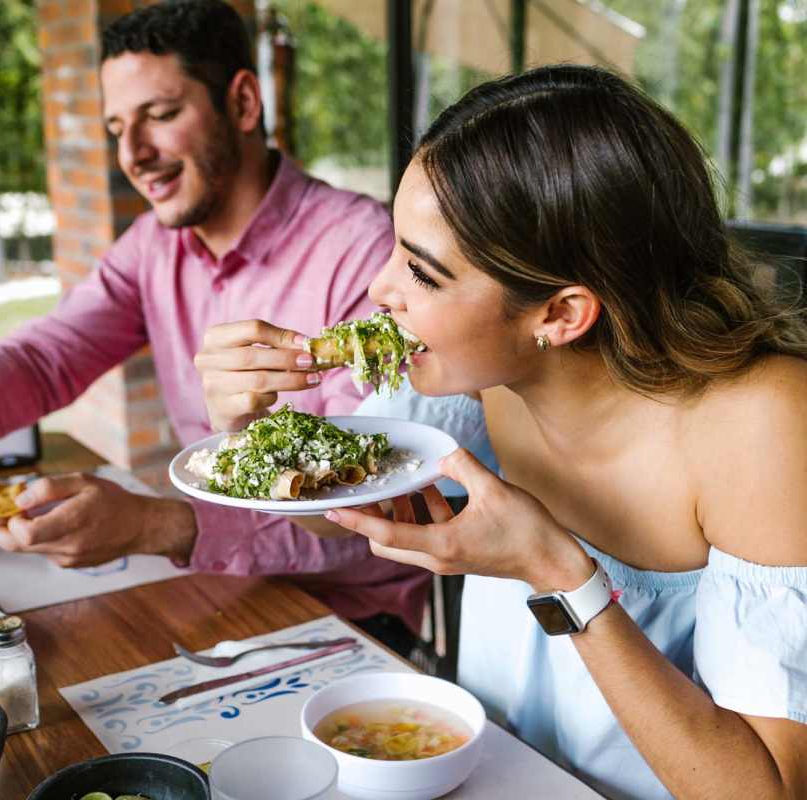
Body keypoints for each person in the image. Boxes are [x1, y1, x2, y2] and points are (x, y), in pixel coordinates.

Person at [200, 65, 807, 799]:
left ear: (560, 314)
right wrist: (251, 433)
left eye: (422, 274)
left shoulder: (763, 424)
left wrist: (559, 574)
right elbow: (344, 515)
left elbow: (763, 791)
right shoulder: (477, 369)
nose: (379, 290)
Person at [0, 0, 428, 652]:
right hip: (219, 588)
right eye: (115, 127)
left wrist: (158, 527)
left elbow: (371, 518)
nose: (133, 154)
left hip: (356, 625)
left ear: (244, 103)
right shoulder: (154, 247)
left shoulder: (364, 253)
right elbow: (47, 355)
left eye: (161, 116)